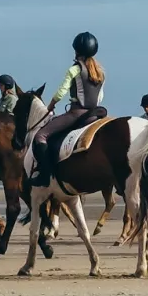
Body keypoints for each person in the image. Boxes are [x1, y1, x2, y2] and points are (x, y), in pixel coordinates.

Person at [30, 32, 106, 188]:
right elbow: (100, 97)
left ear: (77, 50)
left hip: (77, 113)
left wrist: (51, 105)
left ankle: (45, 176)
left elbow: (61, 92)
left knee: (40, 136)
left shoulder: (75, 69)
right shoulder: (100, 72)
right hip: (95, 113)